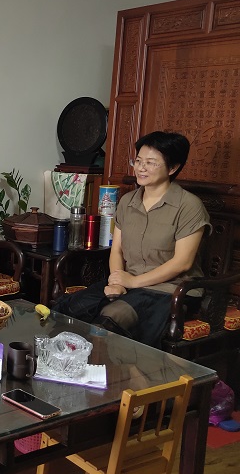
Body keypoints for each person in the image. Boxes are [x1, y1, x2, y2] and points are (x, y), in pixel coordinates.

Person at [53, 131, 210, 347]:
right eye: (138, 161)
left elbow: (182, 263)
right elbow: (116, 250)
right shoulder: (127, 202)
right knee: (67, 309)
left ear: (173, 168)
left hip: (170, 291)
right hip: (129, 282)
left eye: (150, 163)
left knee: (111, 318)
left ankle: (110, 368)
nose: (141, 168)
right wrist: (117, 281)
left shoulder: (188, 206)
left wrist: (132, 282)